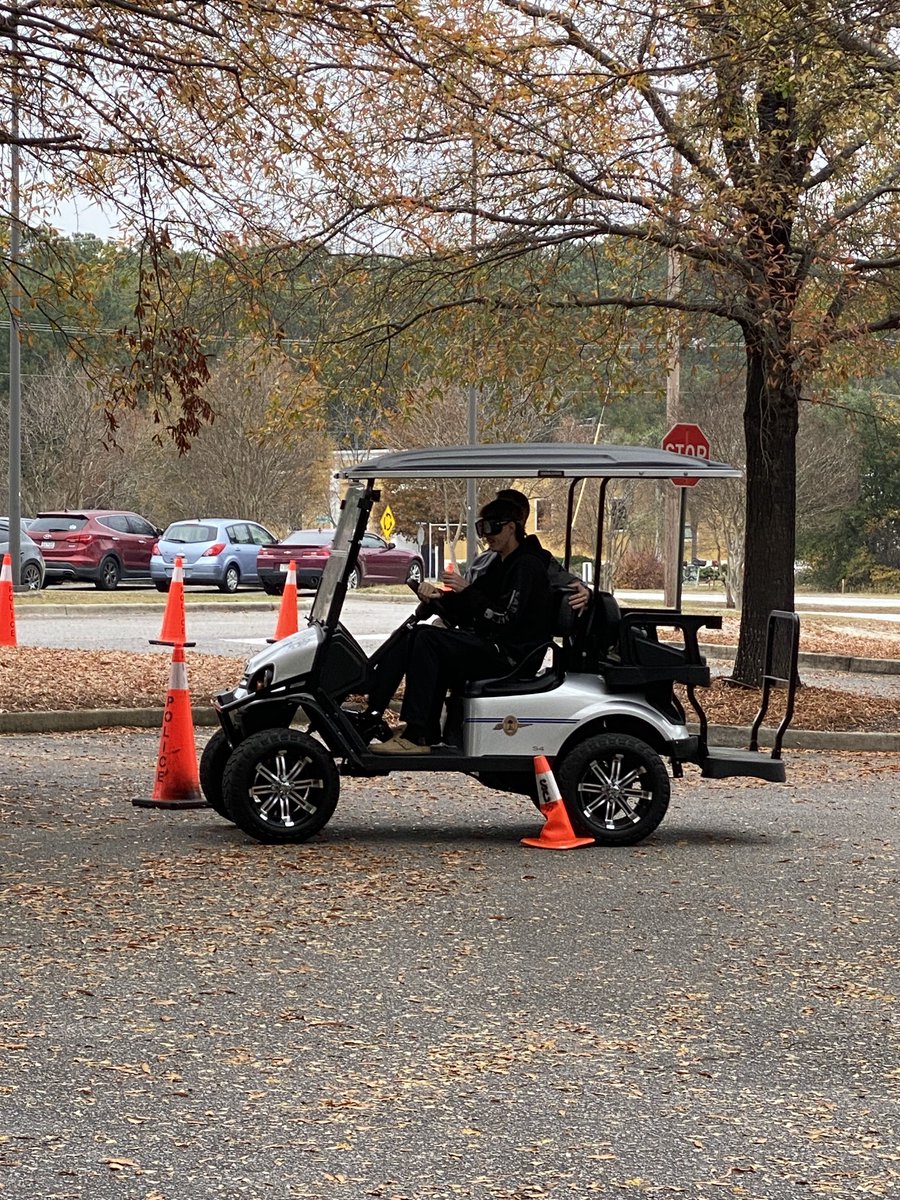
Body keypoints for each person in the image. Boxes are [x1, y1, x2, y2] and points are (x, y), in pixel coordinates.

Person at [359, 488, 589, 726]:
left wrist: (467, 592)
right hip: (495, 644)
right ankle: (374, 713)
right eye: (482, 528)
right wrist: (439, 597)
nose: (487, 535)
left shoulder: (528, 565)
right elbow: (472, 605)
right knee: (413, 635)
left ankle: (418, 730)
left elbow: (504, 618)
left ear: (512, 527)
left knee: (428, 640)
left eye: (493, 527)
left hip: (513, 655)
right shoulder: (500, 564)